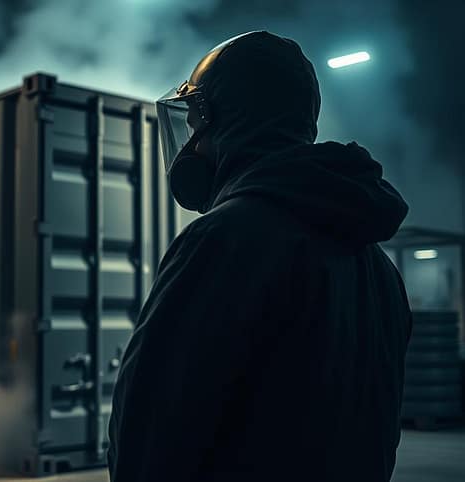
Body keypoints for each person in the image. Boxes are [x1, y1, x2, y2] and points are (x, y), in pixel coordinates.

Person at [107, 31, 412, 482]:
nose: (194, 145)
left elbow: (147, 434)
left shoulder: (223, 240)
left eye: (196, 125)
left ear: (230, 121)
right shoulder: (380, 269)